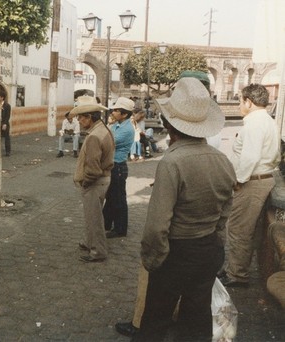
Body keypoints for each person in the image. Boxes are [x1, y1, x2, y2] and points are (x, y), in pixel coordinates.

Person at [130, 78, 236, 342]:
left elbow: (157, 226)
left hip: (177, 252)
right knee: (196, 317)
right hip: (208, 248)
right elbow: (225, 213)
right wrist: (216, 244)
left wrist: (153, 259)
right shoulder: (222, 161)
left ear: (168, 126)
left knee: (156, 318)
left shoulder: (172, 162)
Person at [219, 83, 281, 288]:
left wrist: (238, 181)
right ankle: (236, 269)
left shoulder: (254, 123)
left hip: (252, 181)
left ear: (249, 101)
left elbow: (250, 156)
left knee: (238, 228)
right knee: (246, 228)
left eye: (240, 101)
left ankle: (237, 274)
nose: (239, 105)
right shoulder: (267, 120)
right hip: (261, 179)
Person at [72, 95, 114, 263]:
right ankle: (89, 242)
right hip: (103, 179)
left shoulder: (94, 136)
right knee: (93, 216)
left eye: (81, 117)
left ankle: (98, 251)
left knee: (94, 218)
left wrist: (86, 182)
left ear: (89, 117)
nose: (79, 121)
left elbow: (93, 169)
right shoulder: (103, 129)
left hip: (96, 182)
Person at [102, 97, 135, 239]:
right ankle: (106, 224)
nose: (113, 112)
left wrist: (108, 126)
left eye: (116, 110)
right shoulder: (116, 125)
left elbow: (106, 141)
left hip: (118, 167)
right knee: (110, 197)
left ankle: (120, 229)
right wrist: (109, 124)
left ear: (125, 114)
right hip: (112, 166)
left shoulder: (127, 129)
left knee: (118, 199)